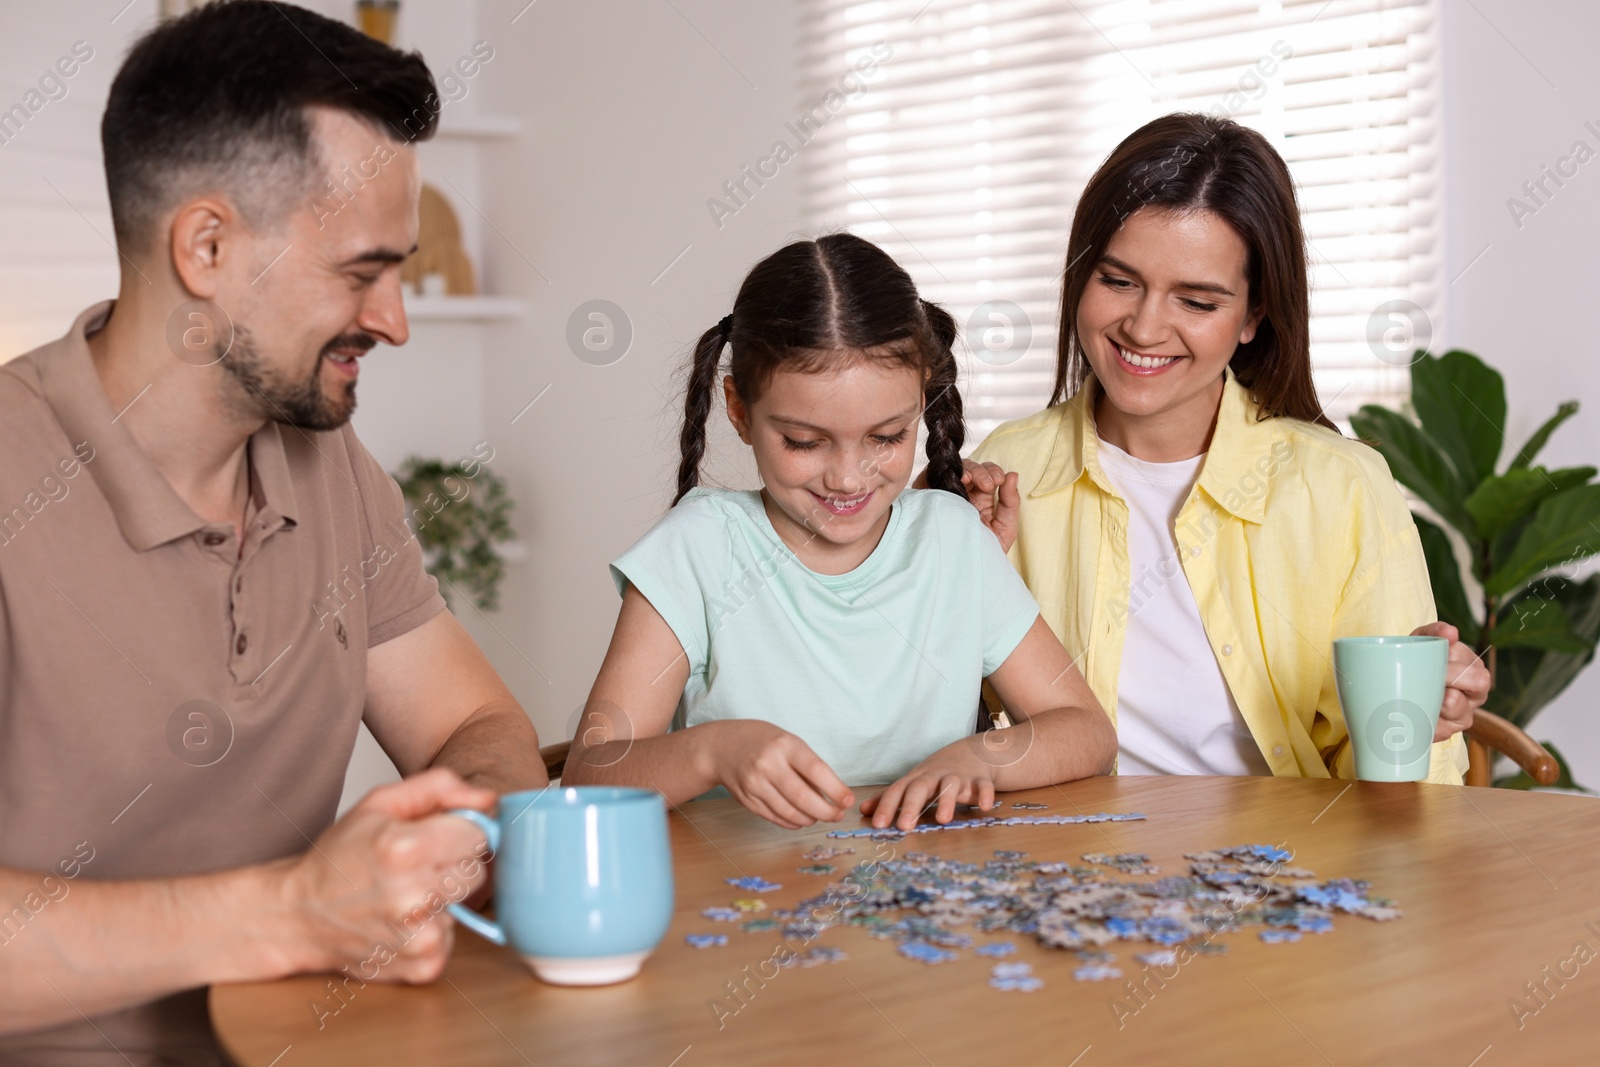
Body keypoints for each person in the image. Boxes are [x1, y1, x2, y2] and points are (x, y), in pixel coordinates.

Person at [0, 3, 546, 1062]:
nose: (394, 320)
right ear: (206, 246)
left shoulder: (332, 469)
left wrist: (458, 837)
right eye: (361, 271)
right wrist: (297, 909)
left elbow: (473, 720)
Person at [960, 113, 1488, 783]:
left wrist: (1411, 716)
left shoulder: (1341, 487)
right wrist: (920, 567)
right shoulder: (1008, 470)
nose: (1145, 327)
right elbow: (933, 714)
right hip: (1068, 870)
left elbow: (1406, 793)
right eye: (1118, 281)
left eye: (1197, 301)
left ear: (1254, 316)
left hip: (1285, 872)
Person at [563, 234, 1117, 830]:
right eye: (804, 441)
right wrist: (712, 751)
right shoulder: (697, 549)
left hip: (923, 903)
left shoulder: (953, 540)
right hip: (747, 902)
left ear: (922, 401)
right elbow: (590, 775)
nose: (848, 477)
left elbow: (1086, 731)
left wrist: (979, 756)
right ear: (740, 410)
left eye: (886, 438)